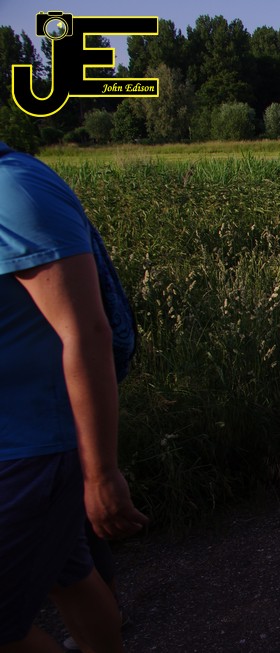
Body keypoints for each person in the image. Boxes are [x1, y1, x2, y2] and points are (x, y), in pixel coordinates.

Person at [0, 141, 148, 651]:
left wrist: (100, 473)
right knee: (70, 575)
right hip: (18, 443)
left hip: (31, 449)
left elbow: (86, 332)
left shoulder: (13, 191)